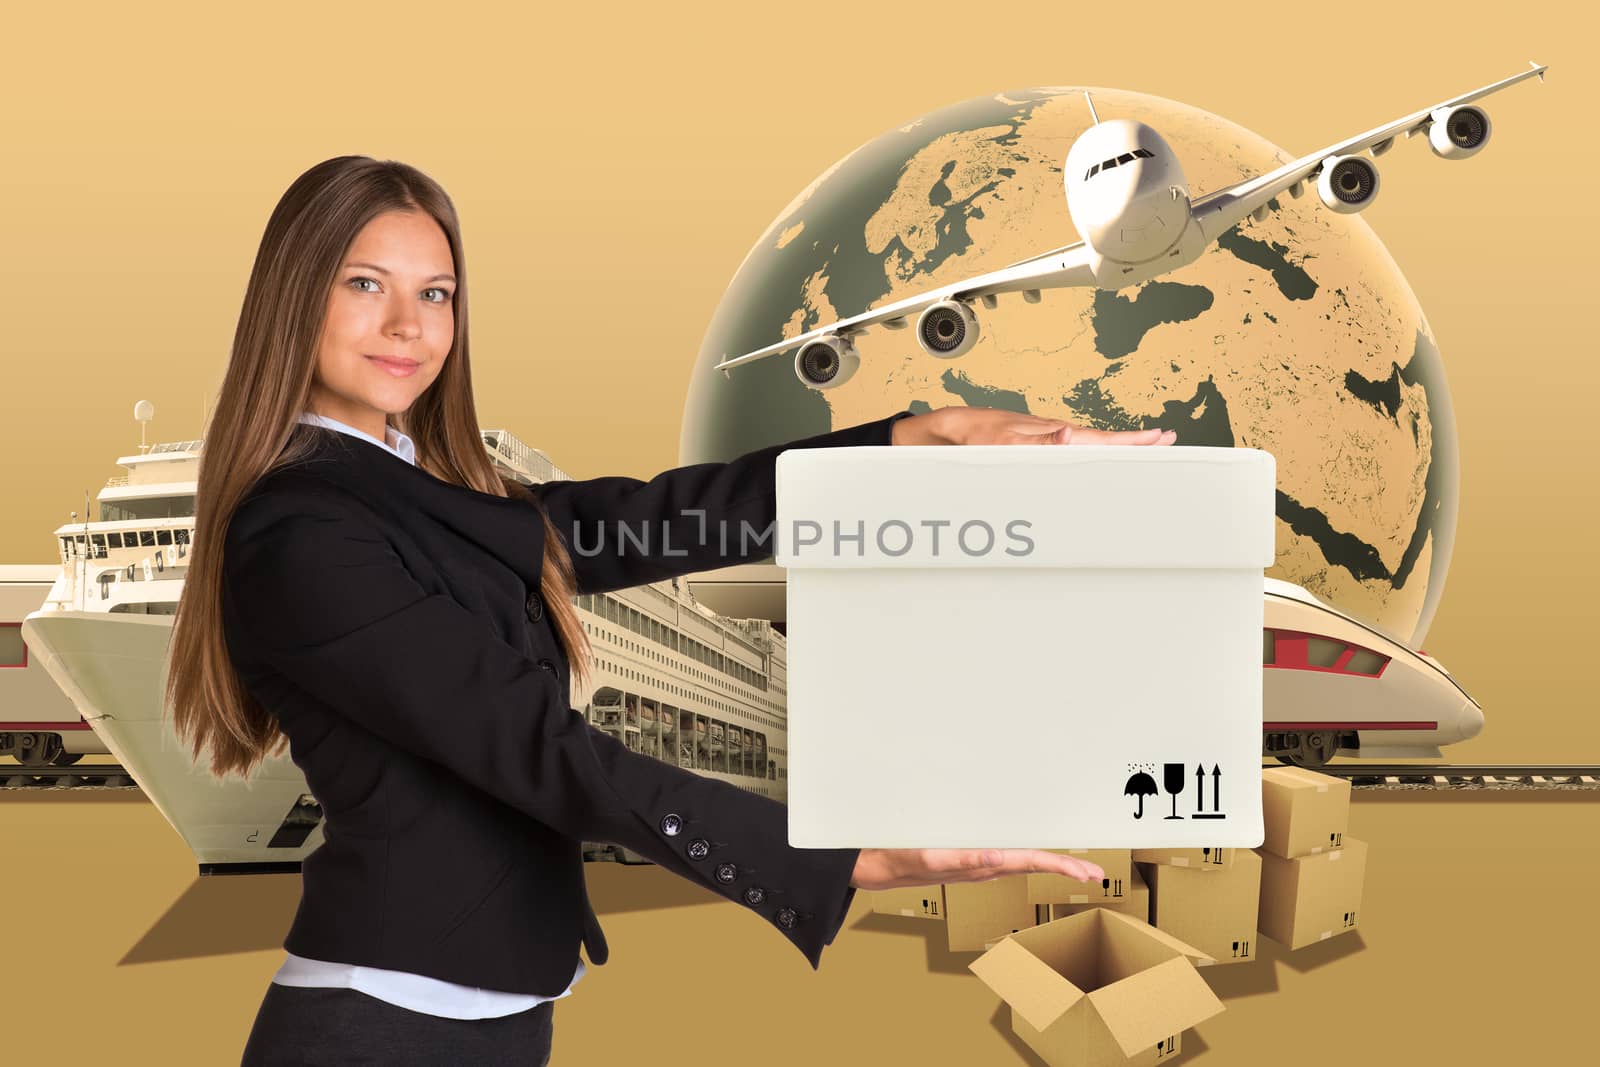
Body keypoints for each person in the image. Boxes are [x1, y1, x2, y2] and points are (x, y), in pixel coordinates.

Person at [165, 155, 1177, 1066]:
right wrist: (844, 858)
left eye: (435, 293)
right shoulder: (303, 532)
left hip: (482, 1016)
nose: (409, 326)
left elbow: (639, 522)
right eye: (364, 285)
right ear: (293, 300)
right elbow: (537, 748)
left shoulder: (417, 488)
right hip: (380, 1029)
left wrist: (916, 439)